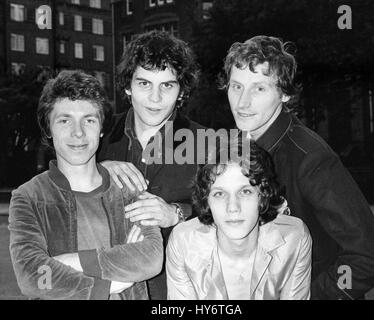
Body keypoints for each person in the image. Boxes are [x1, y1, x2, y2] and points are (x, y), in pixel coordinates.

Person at [222, 35, 374, 299]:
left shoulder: (310, 158)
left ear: (285, 94)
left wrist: (309, 296)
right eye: (236, 87)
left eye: (259, 89)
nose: (242, 103)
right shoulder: (236, 147)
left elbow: (370, 257)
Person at [8, 70, 163, 300]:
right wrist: (105, 287)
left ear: (101, 128)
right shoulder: (28, 197)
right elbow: (33, 277)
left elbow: (151, 258)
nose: (78, 132)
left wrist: (72, 262)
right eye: (64, 120)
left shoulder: (130, 188)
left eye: (89, 120)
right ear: (48, 128)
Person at [98, 30, 205, 299]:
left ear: (182, 91)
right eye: (144, 84)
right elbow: (55, 183)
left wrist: (176, 214)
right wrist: (96, 170)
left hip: (171, 294)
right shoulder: (95, 136)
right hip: (103, 285)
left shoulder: (207, 144)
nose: (155, 98)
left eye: (167, 85)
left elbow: (230, 216)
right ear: (127, 86)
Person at [166, 138, 312, 299]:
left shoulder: (293, 238)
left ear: (262, 196)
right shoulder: (184, 242)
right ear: (207, 200)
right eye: (219, 194)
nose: (233, 207)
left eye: (245, 192)